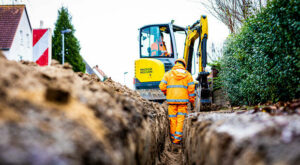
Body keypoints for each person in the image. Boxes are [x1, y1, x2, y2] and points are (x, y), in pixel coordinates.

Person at [159, 59, 195, 144]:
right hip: (183, 103)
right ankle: (177, 140)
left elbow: (162, 86)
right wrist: (192, 101)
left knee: (172, 120)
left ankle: (173, 139)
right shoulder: (188, 75)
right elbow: (191, 90)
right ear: (184, 65)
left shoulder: (168, 74)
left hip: (171, 102)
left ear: (176, 64)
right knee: (180, 120)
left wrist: (167, 93)